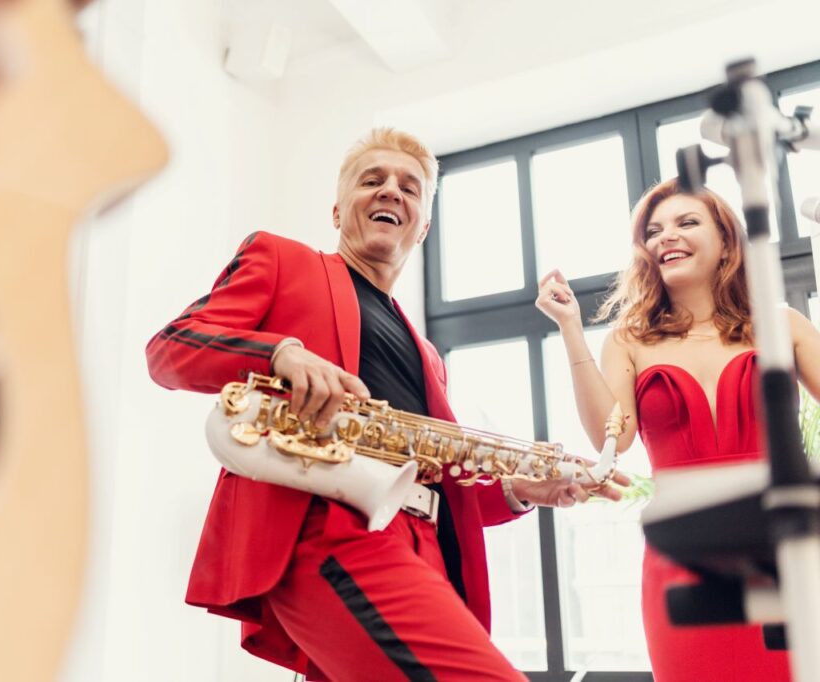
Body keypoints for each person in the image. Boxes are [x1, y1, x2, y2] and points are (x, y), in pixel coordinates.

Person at [147, 128, 626, 681]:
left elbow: (441, 476)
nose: (391, 192)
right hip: (332, 530)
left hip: (424, 547)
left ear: (423, 226)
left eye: (410, 188)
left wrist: (519, 491)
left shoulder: (429, 356)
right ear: (336, 211)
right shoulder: (279, 259)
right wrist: (281, 353)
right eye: (371, 181)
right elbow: (171, 347)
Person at [535, 177, 820, 681]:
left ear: (727, 241)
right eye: (654, 231)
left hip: (781, 548)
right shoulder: (629, 340)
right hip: (679, 558)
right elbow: (612, 439)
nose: (666, 236)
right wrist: (570, 328)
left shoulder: (783, 324)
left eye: (687, 223)